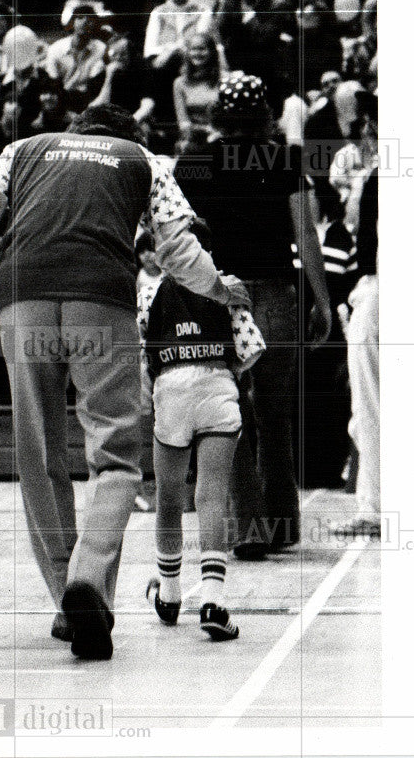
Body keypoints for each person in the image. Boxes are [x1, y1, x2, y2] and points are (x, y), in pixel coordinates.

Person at [0, 104, 250, 660]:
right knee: (115, 456)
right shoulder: (144, 160)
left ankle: (67, 603)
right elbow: (178, 248)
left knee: (40, 455)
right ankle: (88, 579)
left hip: (24, 303)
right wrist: (218, 288)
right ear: (124, 136)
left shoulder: (22, 152)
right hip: (101, 304)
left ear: (76, 128)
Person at [174, 75, 332, 555]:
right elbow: (306, 235)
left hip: (218, 294)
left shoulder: (195, 161)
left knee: (230, 411)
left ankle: (246, 529)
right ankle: (282, 526)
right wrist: (321, 301)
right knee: (274, 412)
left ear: (218, 113)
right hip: (276, 294)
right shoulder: (284, 160)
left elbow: (180, 234)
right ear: (265, 114)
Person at [139, 223, 264, 640]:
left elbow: (142, 349)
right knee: (211, 495)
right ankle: (213, 600)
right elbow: (251, 349)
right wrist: (226, 371)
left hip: (170, 387)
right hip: (216, 386)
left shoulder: (150, 292)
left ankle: (171, 594)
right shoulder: (228, 287)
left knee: (169, 497)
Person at [332, 91, 379, 536]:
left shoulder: (376, 177)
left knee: (369, 403)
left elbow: (358, 228)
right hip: (375, 286)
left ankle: (374, 507)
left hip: (378, 287)